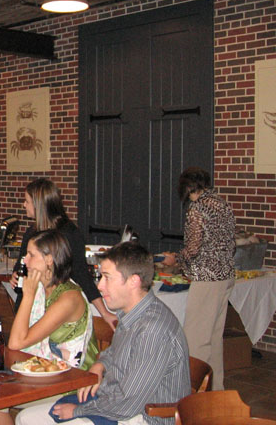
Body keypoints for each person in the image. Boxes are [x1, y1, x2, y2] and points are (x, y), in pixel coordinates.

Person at [16, 242, 190, 425]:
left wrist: (79, 410)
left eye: (107, 278)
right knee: (26, 418)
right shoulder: (132, 312)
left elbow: (128, 403)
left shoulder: (153, 329)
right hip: (116, 402)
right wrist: (100, 365)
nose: (99, 286)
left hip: (144, 417)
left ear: (134, 281)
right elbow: (116, 352)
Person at [0, 229, 98, 425]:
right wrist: (30, 292)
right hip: (45, 369)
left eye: (31, 255)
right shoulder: (43, 287)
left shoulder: (69, 298)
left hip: (69, 380)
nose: (24, 260)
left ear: (49, 260)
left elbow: (17, 342)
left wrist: (27, 295)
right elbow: (19, 339)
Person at [162, 167, 236, 391]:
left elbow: (193, 248)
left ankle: (192, 393)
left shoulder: (197, 208)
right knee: (213, 341)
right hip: (225, 276)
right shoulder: (222, 203)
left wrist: (175, 259)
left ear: (185, 188)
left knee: (195, 341)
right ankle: (215, 390)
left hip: (207, 278)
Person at [11, 178, 117, 329]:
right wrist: (15, 276)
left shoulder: (68, 234)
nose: (24, 205)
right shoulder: (31, 232)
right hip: (30, 304)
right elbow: (21, 266)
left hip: (57, 307)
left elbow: (81, 274)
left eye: (27, 201)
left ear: (39, 204)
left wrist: (104, 312)